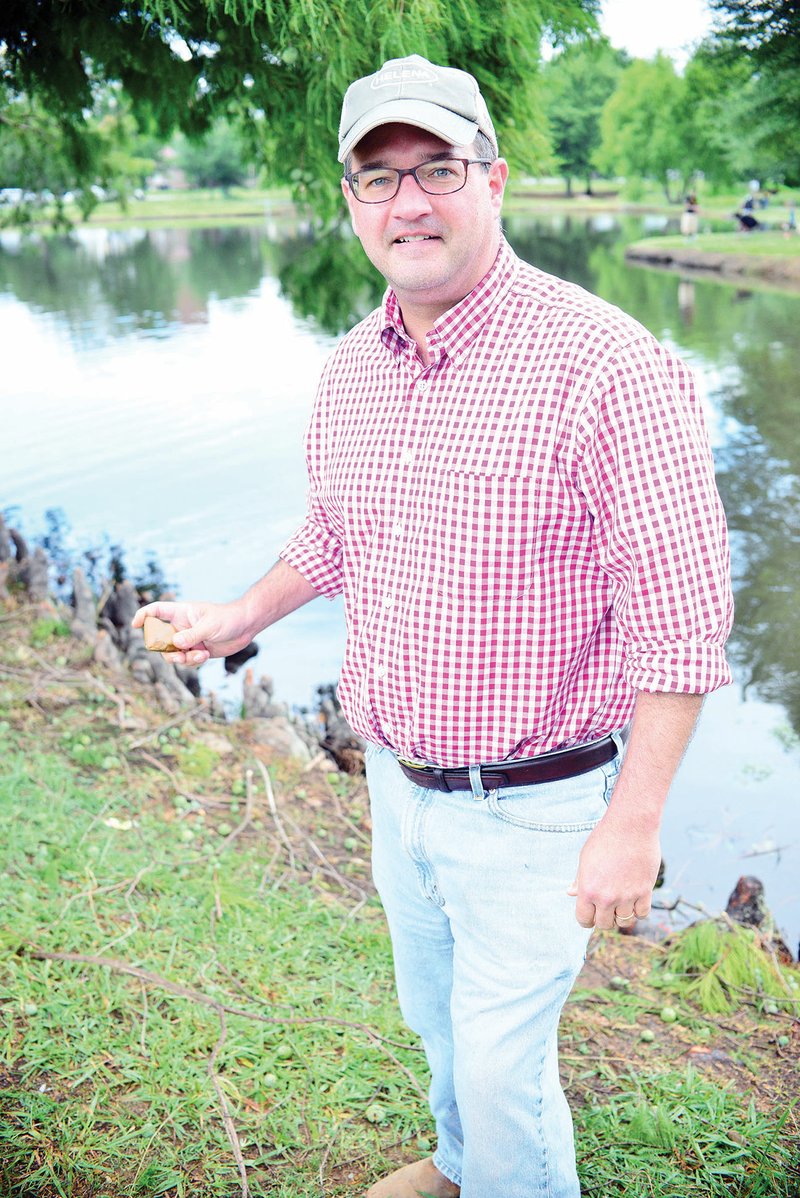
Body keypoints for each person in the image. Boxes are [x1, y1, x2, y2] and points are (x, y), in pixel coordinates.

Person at [134, 54, 733, 1198]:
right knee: (437, 1017)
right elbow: (334, 535)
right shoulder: (353, 367)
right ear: (350, 201)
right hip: (397, 784)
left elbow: (681, 614)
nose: (408, 201)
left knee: (507, 1060)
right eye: (377, 177)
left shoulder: (606, 364)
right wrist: (229, 617)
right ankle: (458, 1166)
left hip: (536, 802)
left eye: (436, 168)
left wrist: (633, 822)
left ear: (492, 180)